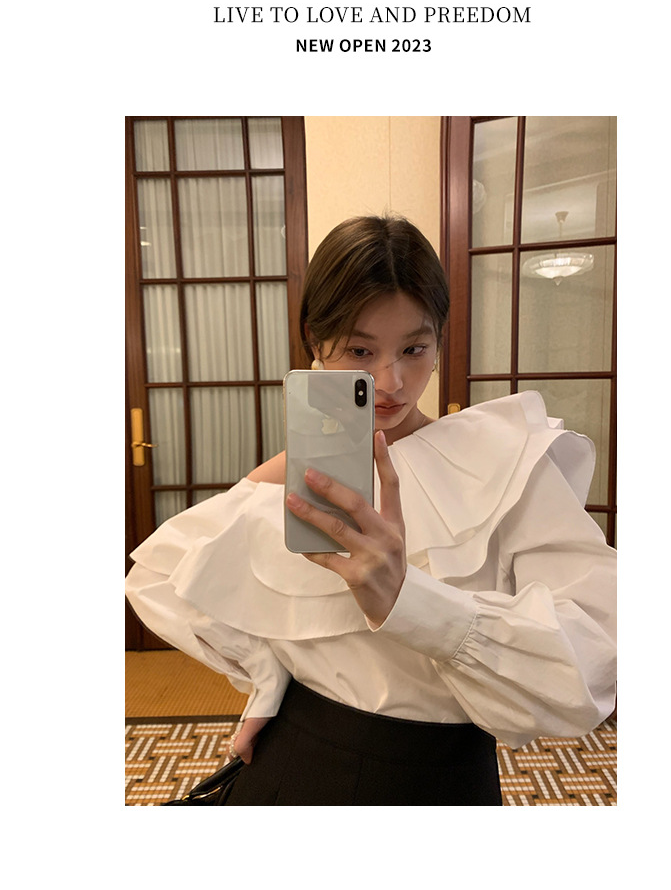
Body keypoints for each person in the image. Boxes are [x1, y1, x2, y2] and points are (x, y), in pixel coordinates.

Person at [125, 214, 617, 805]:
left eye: (414, 348)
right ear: (315, 341)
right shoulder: (299, 474)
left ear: (439, 339)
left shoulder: (507, 462)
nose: (391, 381)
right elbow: (156, 576)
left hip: (440, 780)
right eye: (360, 350)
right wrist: (268, 674)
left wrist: (411, 602)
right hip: (291, 763)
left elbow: (593, 664)